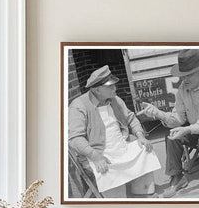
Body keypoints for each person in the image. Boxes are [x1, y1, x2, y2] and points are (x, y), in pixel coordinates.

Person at [137, 49, 199, 198]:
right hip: (198, 129)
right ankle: (177, 177)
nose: (185, 79)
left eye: (189, 75)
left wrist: (187, 129)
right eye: (182, 76)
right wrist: (157, 113)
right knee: (172, 134)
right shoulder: (182, 89)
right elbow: (178, 119)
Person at [68, 65, 161, 198]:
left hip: (121, 145)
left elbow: (131, 118)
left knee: (145, 148)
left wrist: (140, 136)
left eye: (114, 85)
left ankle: (142, 193)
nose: (115, 88)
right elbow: (75, 139)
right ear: (97, 90)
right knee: (106, 171)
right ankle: (118, 201)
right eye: (110, 86)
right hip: (98, 152)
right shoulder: (79, 106)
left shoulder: (115, 100)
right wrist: (95, 156)